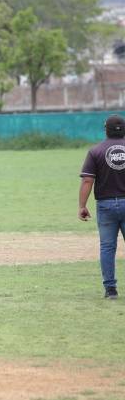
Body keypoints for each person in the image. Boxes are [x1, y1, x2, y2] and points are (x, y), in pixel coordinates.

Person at [79, 114, 125, 299]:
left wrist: (82, 205)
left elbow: (88, 180)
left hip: (105, 205)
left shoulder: (96, 151)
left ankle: (110, 289)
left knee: (107, 247)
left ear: (105, 129)